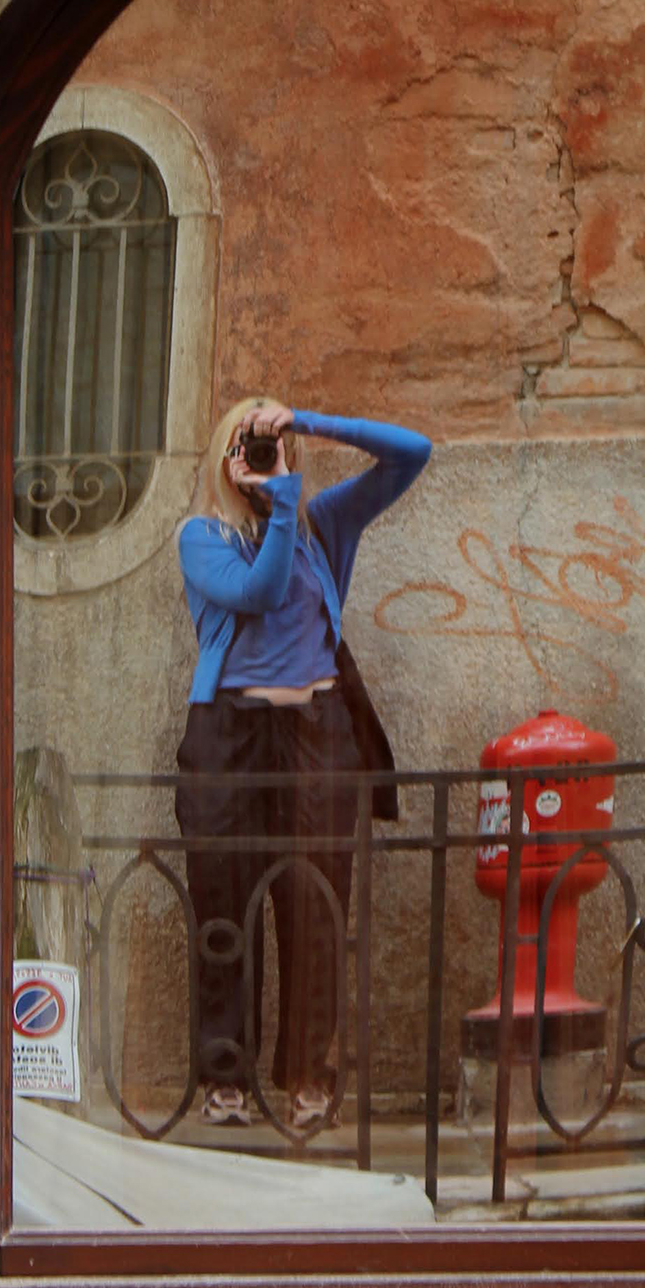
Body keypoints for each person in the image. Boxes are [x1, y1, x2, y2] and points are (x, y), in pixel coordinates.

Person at [174, 397, 430, 1131]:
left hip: (318, 730)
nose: (259, 454)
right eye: (245, 442)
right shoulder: (201, 537)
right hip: (231, 731)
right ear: (225, 458)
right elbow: (259, 592)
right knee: (225, 901)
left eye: (268, 441)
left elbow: (412, 450)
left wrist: (311, 423)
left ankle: (308, 1079)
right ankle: (226, 1077)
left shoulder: (324, 522)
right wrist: (277, 505)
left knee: (317, 905)